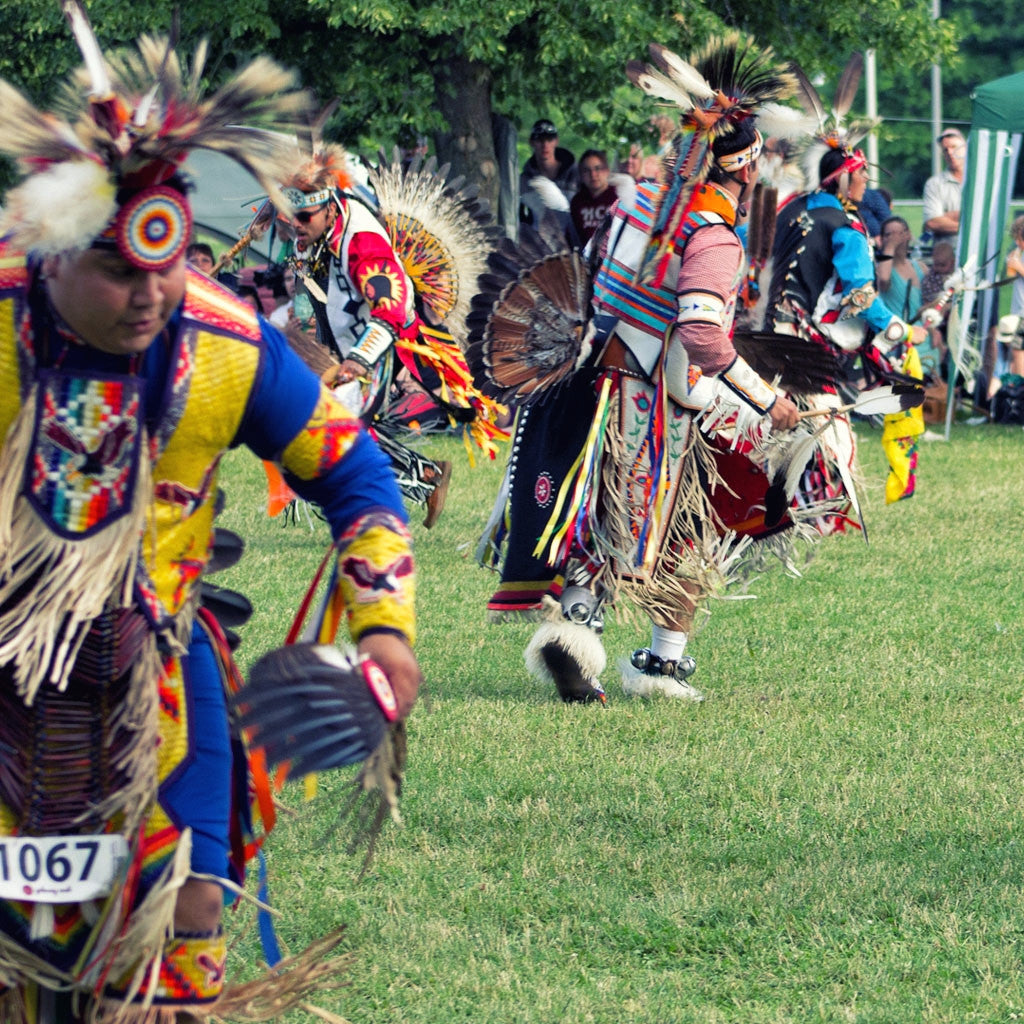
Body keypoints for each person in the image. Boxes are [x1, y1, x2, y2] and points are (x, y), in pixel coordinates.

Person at [0, 16, 420, 1021]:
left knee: (187, 897)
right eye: (118, 269)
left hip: (156, 662)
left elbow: (356, 477)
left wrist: (388, 633)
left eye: (169, 264)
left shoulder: (225, 346)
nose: (150, 294)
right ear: (53, 255)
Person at [473, 36, 825, 705]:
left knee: (595, 512)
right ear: (744, 168)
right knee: (657, 522)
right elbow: (699, 333)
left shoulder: (639, 202)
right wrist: (765, 399)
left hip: (580, 383)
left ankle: (585, 636)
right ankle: (632, 651)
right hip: (647, 401)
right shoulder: (715, 237)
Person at [518, 118, 578, 229]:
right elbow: (519, 216)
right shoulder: (524, 180)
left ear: (556, 141)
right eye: (540, 140)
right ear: (532, 142)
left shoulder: (576, 175)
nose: (545, 145)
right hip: (538, 242)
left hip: (573, 240)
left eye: (549, 139)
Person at [922, 128, 966, 250]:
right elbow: (932, 223)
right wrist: (970, 222)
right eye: (945, 150)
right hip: (946, 256)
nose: (950, 152)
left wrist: (947, 217)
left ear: (966, 148)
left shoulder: (980, 180)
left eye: (954, 147)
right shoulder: (934, 183)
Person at [569, 148, 619, 247]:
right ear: (581, 175)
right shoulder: (577, 202)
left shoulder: (617, 196)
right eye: (587, 171)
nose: (593, 175)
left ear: (607, 171)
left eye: (597, 168)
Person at [1003, 214, 1024, 375]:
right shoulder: (1020, 254)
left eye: (1019, 239)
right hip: (1019, 312)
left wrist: (1019, 267)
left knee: (1018, 351)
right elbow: (1009, 277)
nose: (1017, 243)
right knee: (1015, 351)